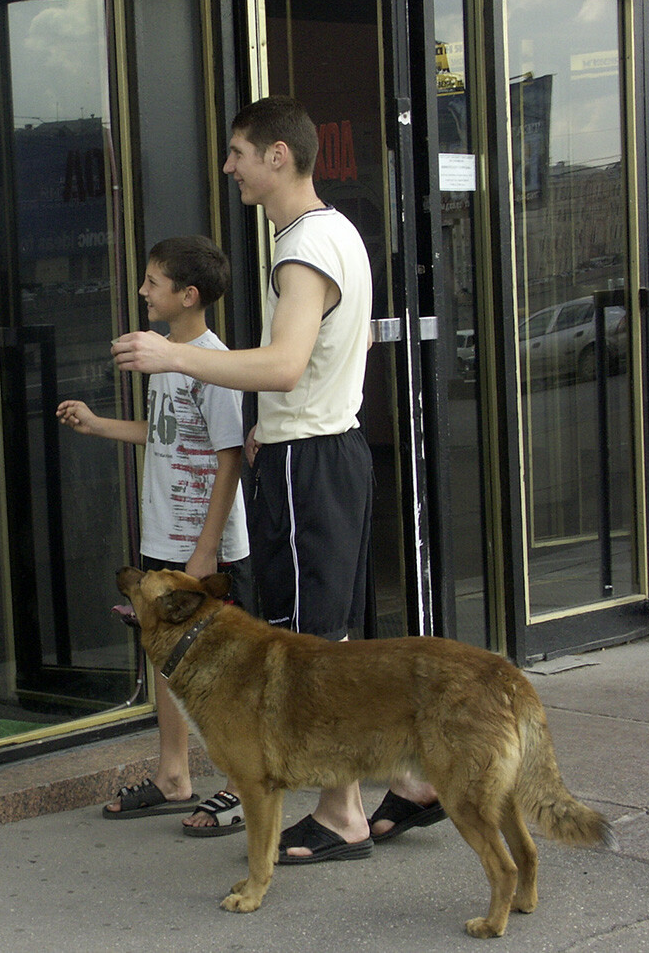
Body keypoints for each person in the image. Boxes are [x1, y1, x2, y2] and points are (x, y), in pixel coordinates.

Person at [110, 98, 443, 863]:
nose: (228, 167)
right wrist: (277, 417)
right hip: (334, 450)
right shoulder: (336, 235)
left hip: (309, 464)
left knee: (308, 650)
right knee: (341, 638)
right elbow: (325, 357)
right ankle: (405, 782)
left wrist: (177, 356)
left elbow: (286, 362)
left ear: (278, 158)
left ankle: (341, 816)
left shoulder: (301, 249)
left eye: (237, 153)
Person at [58, 235, 253, 837]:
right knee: (167, 662)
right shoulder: (164, 356)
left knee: (220, 670)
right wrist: (97, 426)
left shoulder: (213, 365)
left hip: (202, 543)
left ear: (187, 295)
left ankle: (242, 786)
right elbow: (164, 432)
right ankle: (174, 775)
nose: (142, 290)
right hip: (166, 535)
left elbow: (229, 457)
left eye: (152, 282)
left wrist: (206, 548)